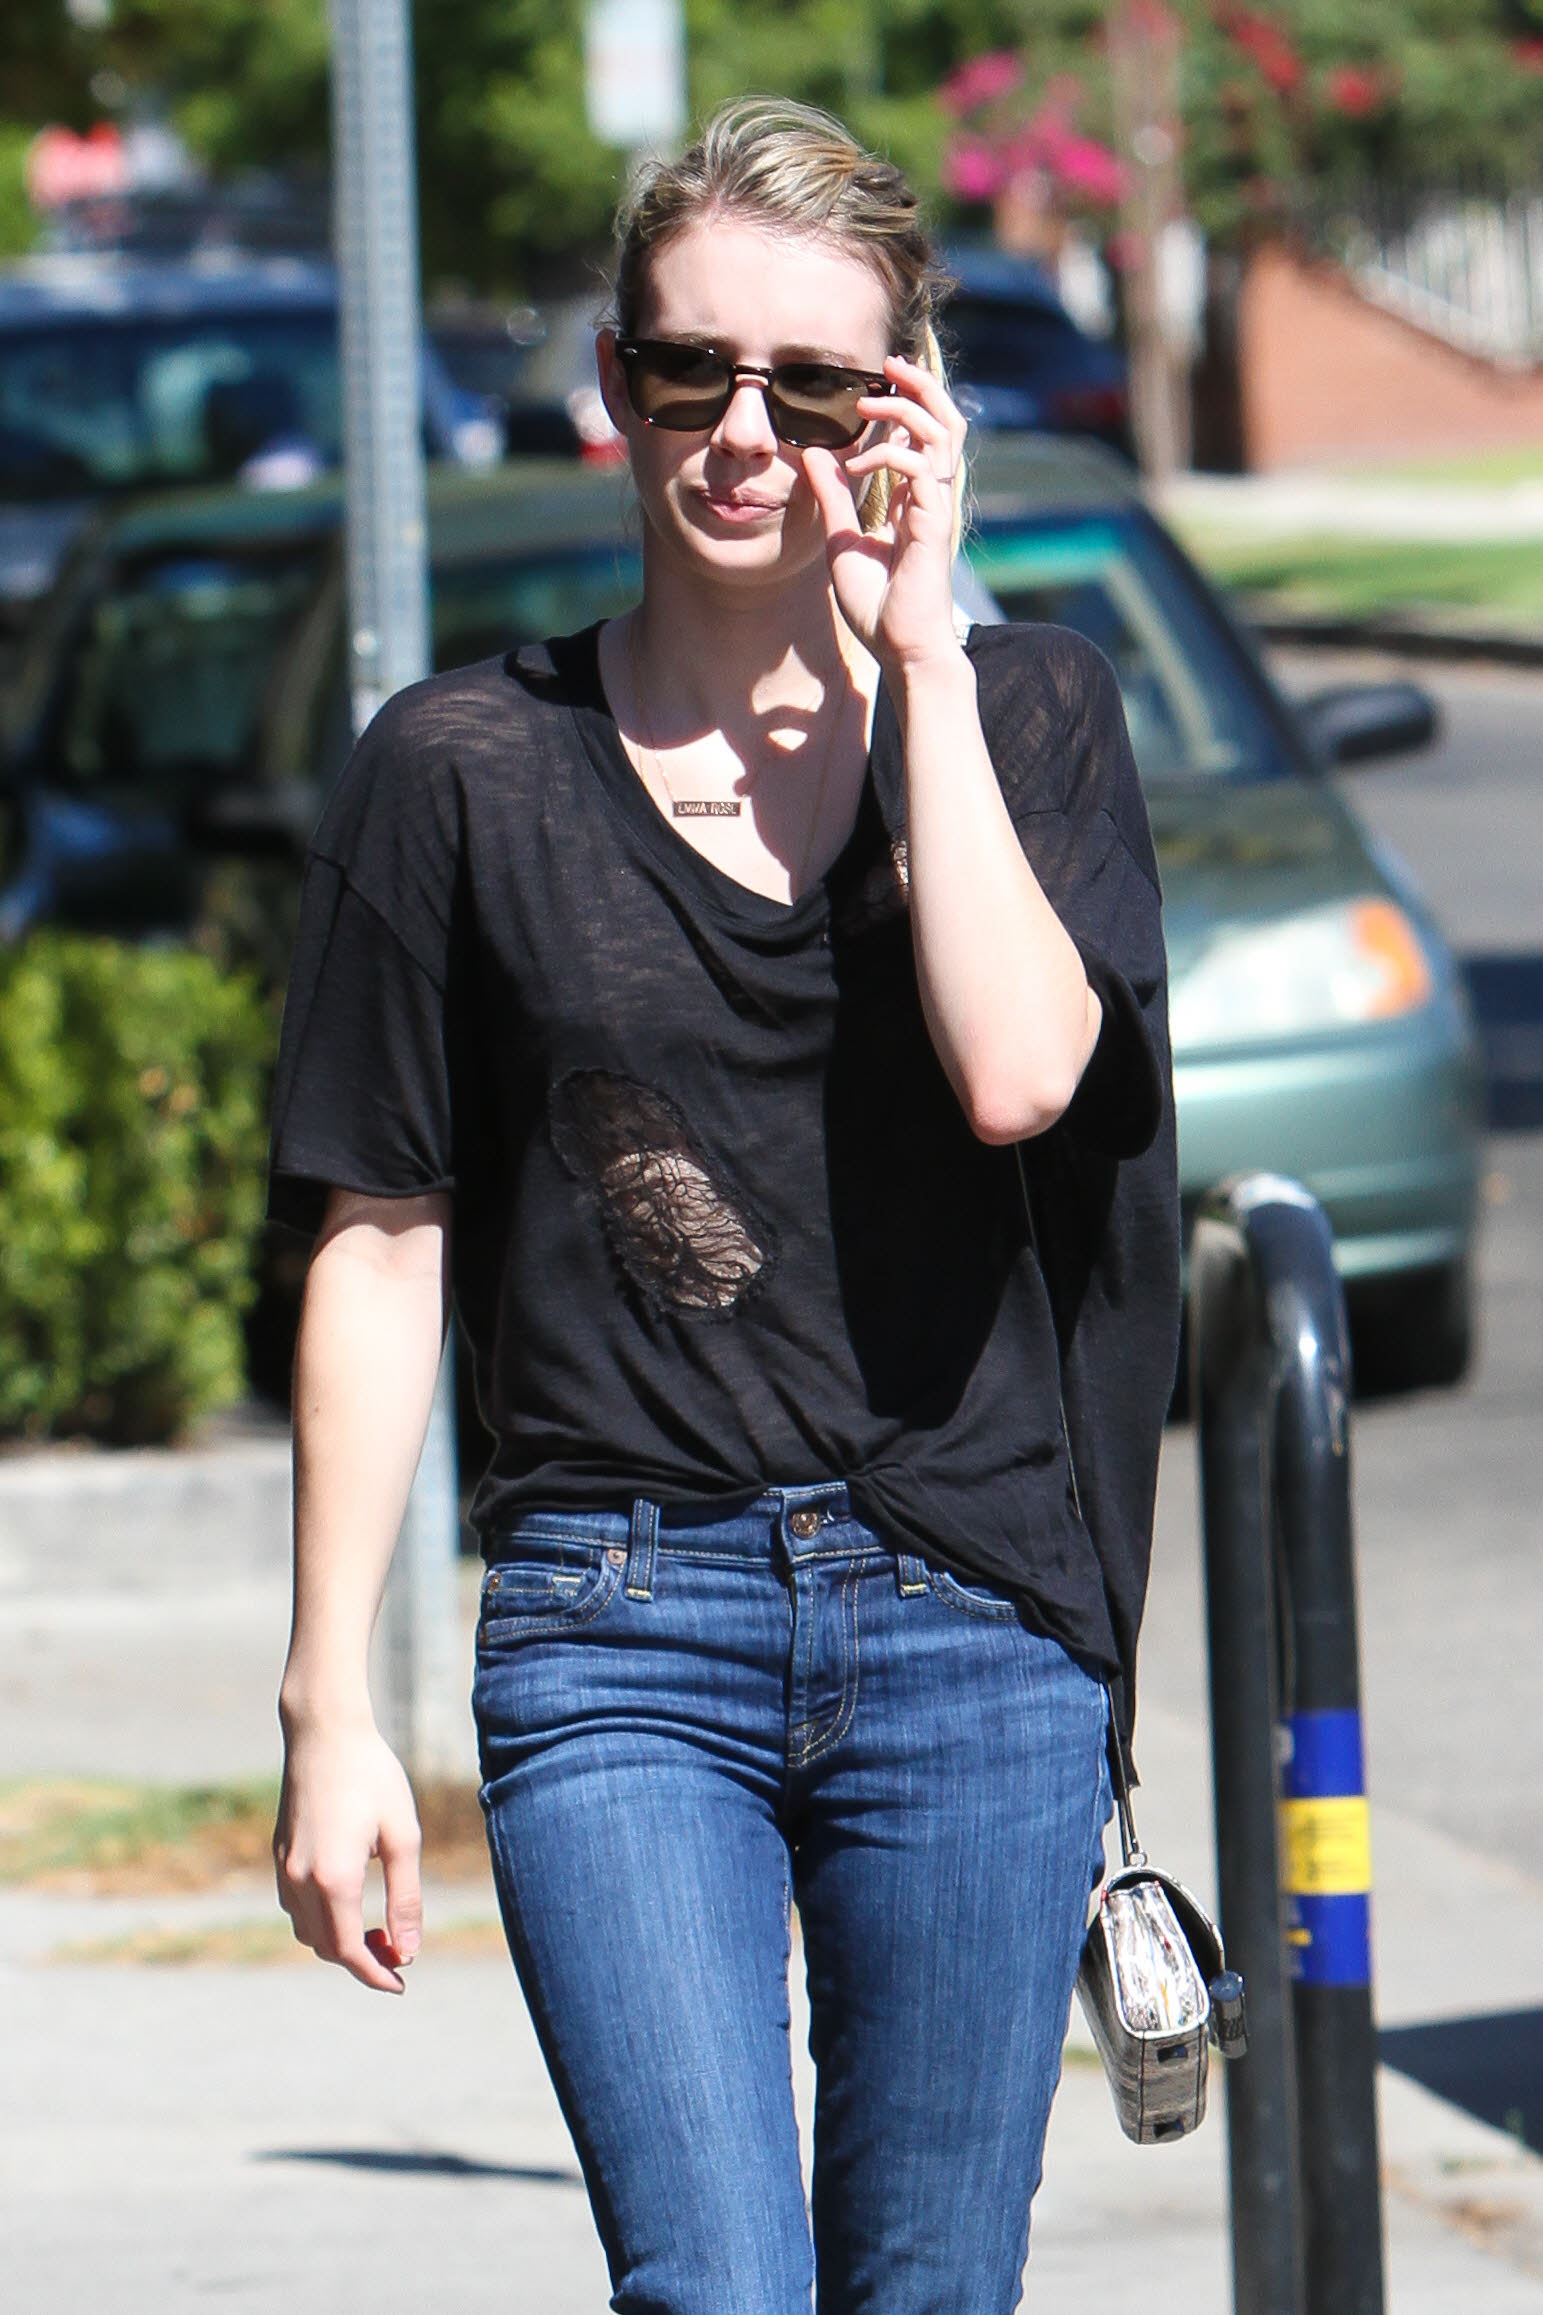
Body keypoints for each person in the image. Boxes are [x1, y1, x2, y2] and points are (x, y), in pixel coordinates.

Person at [268, 95, 1180, 2315]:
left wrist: (924, 652)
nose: (747, 434)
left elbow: (1018, 1073)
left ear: (909, 412)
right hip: (615, 1623)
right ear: (617, 383)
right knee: (710, 2291)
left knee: (928, 2291)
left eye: (818, 387)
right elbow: (381, 1233)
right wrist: (325, 1702)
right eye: (692, 372)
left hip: (974, 1613)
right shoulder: (460, 770)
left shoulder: (1033, 715)